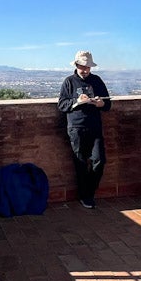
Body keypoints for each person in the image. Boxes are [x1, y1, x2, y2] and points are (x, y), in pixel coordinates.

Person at [57, 50, 111, 208]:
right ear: (76, 65)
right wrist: (77, 102)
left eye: (88, 67)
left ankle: (88, 192)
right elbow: (62, 105)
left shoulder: (97, 81)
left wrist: (101, 104)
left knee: (99, 160)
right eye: (83, 67)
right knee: (80, 162)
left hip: (95, 126)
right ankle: (85, 196)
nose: (85, 70)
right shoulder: (69, 82)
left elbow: (107, 104)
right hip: (76, 127)